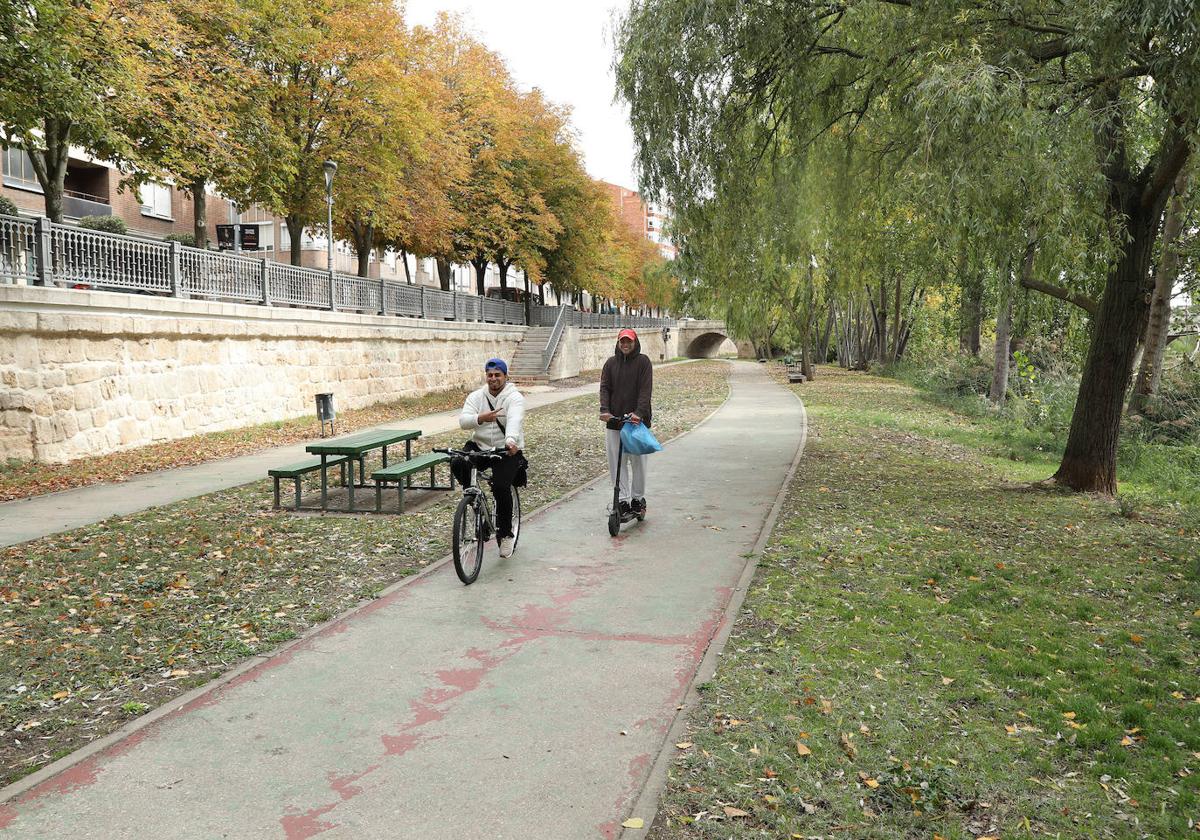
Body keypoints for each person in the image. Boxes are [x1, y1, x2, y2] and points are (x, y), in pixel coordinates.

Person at [455, 358, 525, 558]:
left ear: (505, 376)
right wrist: (481, 418)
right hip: (480, 445)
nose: (493, 379)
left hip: (506, 449)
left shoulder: (514, 397)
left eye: (497, 375)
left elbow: (515, 419)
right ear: (486, 376)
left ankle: (506, 533)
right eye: (490, 375)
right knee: (458, 460)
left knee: (501, 487)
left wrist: (511, 441)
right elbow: (463, 421)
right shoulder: (476, 397)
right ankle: (473, 496)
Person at [599, 328, 653, 516]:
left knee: (638, 462)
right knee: (616, 462)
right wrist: (604, 410)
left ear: (635, 342)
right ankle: (622, 499)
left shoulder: (643, 362)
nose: (625, 344)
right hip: (615, 422)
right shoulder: (610, 364)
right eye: (622, 341)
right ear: (618, 343)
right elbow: (605, 388)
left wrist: (639, 412)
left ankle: (638, 498)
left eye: (628, 341)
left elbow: (646, 390)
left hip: (636, 423)